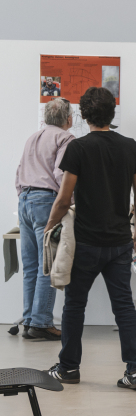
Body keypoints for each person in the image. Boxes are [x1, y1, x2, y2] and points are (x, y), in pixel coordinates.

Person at [43, 87, 136, 389]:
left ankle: (68, 369)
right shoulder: (130, 147)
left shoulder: (78, 148)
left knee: (75, 305)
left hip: (85, 242)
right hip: (119, 242)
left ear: (83, 115)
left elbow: (64, 199)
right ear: (112, 114)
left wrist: (49, 228)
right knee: (125, 306)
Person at [16, 97, 74, 340]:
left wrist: (23, 195)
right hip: (45, 202)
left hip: (25, 201)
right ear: (68, 119)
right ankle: (41, 323)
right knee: (46, 264)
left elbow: (19, 171)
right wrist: (69, 203)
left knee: (30, 266)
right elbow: (61, 173)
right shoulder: (65, 138)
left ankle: (29, 319)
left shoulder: (32, 137)